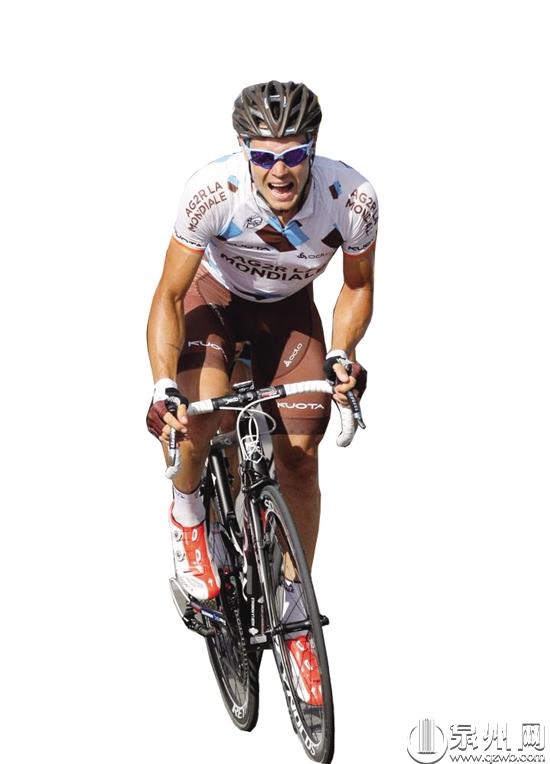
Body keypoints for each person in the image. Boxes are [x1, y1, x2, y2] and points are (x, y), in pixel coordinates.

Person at [146, 80, 378, 704]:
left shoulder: (351, 198)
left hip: (288, 314)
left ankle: (295, 610)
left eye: (294, 154)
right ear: (244, 152)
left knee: (300, 453)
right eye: (265, 155)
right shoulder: (212, 192)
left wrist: (342, 352)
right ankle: (189, 514)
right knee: (199, 419)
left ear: (313, 151)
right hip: (214, 303)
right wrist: (164, 385)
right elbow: (169, 294)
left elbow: (357, 286)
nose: (280, 170)